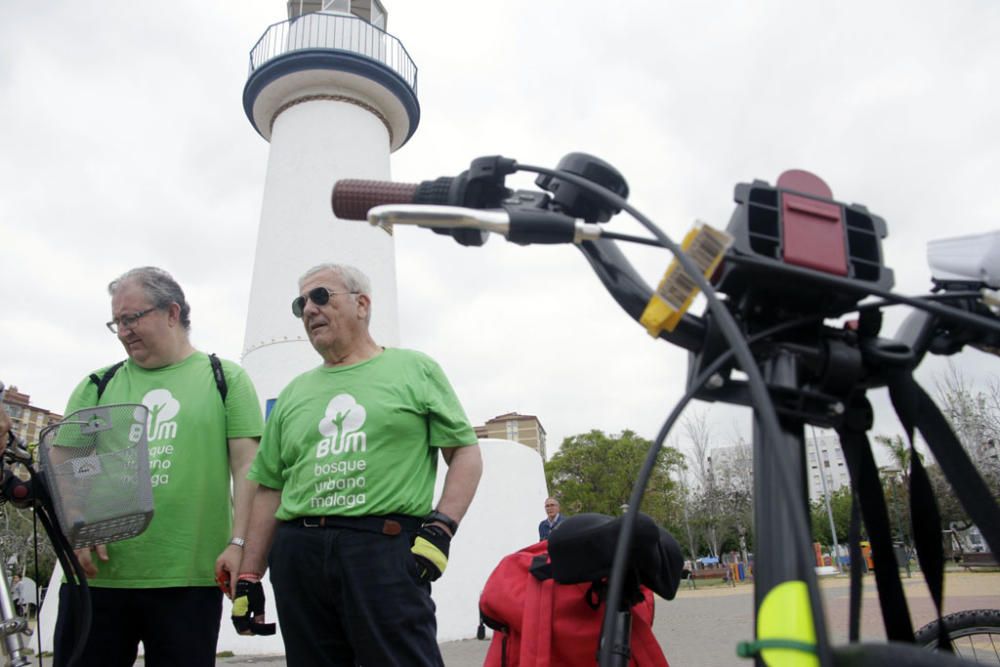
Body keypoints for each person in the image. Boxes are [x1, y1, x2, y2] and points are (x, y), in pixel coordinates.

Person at [235, 263, 483, 667]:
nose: (309, 310)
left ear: (362, 304)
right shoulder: (294, 392)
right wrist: (250, 576)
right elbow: (270, 487)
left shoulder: (414, 369)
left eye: (320, 297)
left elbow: (465, 453)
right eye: (301, 304)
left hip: (382, 550)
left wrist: (441, 528)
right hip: (299, 555)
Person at [52, 267, 264, 667]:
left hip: (189, 578)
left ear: (171, 311)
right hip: (97, 578)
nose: (123, 331)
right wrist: (77, 519)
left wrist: (239, 546)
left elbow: (248, 467)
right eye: (116, 321)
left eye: (132, 318)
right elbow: (65, 458)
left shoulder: (225, 379)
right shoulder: (97, 384)